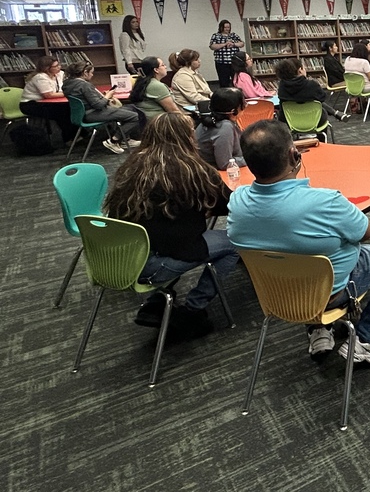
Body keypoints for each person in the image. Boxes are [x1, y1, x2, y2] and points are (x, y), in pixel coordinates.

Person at [228, 120, 370, 362]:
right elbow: (366, 232)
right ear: (294, 155)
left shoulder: (237, 201)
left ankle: (318, 330)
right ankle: (366, 340)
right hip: (331, 293)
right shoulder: (326, 201)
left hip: (277, 294)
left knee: (295, 258)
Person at [105, 112, 239, 336]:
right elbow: (228, 204)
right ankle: (192, 310)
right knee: (235, 242)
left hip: (120, 259)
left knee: (174, 236)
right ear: (187, 137)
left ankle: (158, 299)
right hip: (154, 264)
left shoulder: (131, 166)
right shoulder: (193, 170)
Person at [62, 60, 142, 154]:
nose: (92, 75)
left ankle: (124, 139)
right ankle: (114, 140)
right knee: (136, 116)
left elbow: (87, 99)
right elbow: (98, 105)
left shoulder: (67, 84)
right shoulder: (84, 85)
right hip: (92, 113)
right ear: (85, 73)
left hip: (82, 114)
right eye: (91, 73)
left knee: (126, 110)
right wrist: (108, 96)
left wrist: (102, 97)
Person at [20, 55, 76, 144]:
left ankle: (76, 135)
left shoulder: (60, 74)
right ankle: (69, 138)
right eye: (56, 66)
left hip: (49, 102)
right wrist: (69, 93)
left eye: (59, 65)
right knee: (61, 112)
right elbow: (48, 95)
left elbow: (67, 86)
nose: (59, 67)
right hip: (31, 104)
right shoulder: (40, 77)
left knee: (70, 108)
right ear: (46, 68)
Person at [275, 58, 345, 124]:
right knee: (319, 105)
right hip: (314, 121)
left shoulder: (282, 87)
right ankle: (322, 136)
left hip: (290, 122)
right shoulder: (311, 85)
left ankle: (335, 113)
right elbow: (322, 97)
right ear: (300, 70)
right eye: (304, 68)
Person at [195, 88, 247, 170]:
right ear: (233, 111)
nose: (246, 105)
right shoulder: (225, 127)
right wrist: (250, 159)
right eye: (244, 104)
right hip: (213, 174)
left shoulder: (211, 121)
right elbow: (225, 163)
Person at [209, 20, 244, 88]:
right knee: (224, 81)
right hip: (221, 62)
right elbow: (212, 46)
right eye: (225, 27)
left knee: (237, 81)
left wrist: (233, 44)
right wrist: (225, 44)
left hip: (234, 63)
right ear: (221, 27)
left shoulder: (234, 35)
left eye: (228, 27)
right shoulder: (216, 36)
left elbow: (242, 44)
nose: (227, 29)